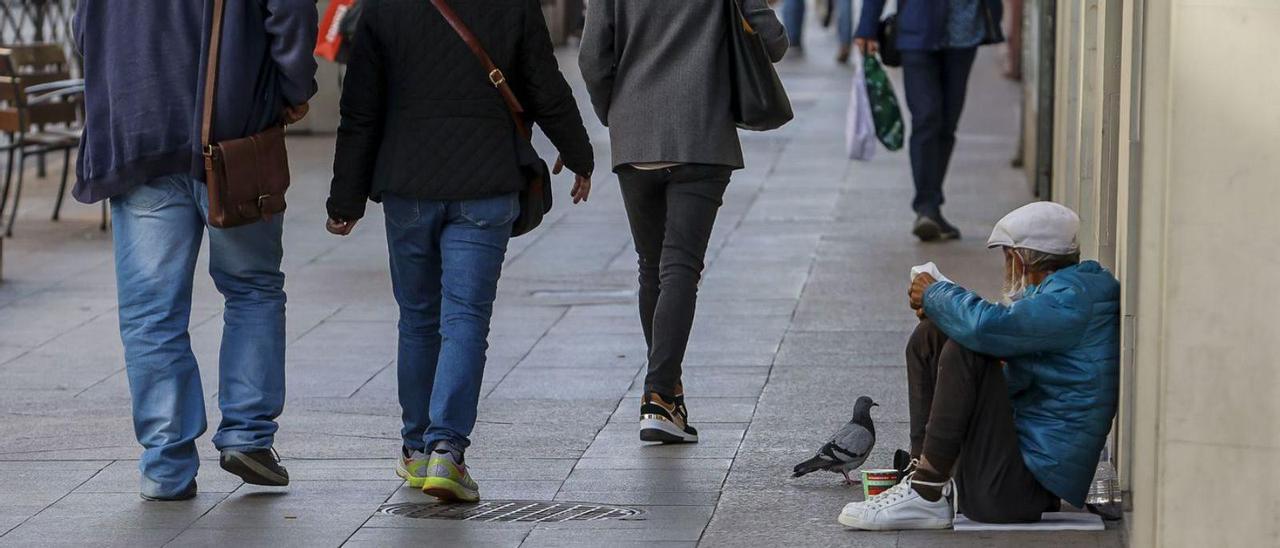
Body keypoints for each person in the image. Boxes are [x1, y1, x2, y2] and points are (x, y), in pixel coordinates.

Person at [327, 0, 594, 503]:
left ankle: (416, 449)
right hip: (485, 183)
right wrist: (578, 153)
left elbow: (360, 111)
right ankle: (447, 449)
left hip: (408, 185)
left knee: (418, 318)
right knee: (466, 318)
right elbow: (544, 84)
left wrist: (346, 199)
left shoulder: (383, 8)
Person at [71, 1, 317, 501]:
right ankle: (248, 435)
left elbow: (84, 27)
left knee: (151, 312)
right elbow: (290, 12)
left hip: (137, 129)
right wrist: (292, 88)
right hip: (235, 132)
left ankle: (165, 463)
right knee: (252, 288)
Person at [579, 0, 787, 444]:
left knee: (651, 267)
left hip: (635, 134)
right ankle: (659, 396)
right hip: (702, 131)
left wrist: (617, 114)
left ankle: (666, 393)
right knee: (680, 268)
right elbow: (773, 42)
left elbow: (592, 56)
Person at [839, 202, 1119, 529]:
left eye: (1006, 258)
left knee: (966, 349)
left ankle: (927, 491)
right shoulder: (1068, 292)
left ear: (1020, 259)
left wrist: (937, 294)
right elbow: (1012, 365)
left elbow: (986, 329)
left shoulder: (1071, 299)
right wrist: (946, 314)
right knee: (931, 335)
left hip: (1020, 490)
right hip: (1019, 474)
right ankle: (921, 478)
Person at [854, 0, 1004, 241]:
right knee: (926, 117)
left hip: (965, 34)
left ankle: (932, 205)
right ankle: (926, 207)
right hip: (918, 31)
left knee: (947, 123)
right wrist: (866, 26)